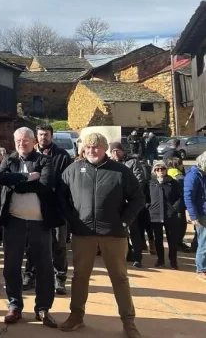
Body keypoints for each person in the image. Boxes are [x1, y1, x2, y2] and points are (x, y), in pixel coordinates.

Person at [57, 133, 145, 337]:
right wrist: (72, 219)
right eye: (88, 147)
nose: (91, 151)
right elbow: (61, 197)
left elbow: (138, 198)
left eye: (96, 147)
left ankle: (128, 322)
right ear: (82, 149)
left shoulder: (120, 171)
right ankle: (76, 316)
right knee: (80, 277)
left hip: (114, 234)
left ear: (104, 149)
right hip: (83, 234)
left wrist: (124, 220)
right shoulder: (72, 170)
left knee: (120, 278)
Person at [0, 127, 62, 329]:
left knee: (43, 267)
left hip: (39, 223)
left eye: (25, 140)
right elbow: (1, 178)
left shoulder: (44, 160)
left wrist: (17, 184)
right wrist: (26, 178)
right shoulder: (9, 160)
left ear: (33, 141)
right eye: (18, 141)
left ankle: (42, 308)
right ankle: (14, 305)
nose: (21, 144)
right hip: (14, 221)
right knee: (11, 267)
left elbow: (45, 183)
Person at [25, 125, 72, 295]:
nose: (43, 137)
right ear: (36, 137)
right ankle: (30, 274)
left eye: (46, 134)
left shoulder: (62, 156)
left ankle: (60, 277)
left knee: (59, 243)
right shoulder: (30, 155)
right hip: (35, 204)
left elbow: (68, 181)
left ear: (52, 136)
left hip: (57, 205)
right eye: (40, 134)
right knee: (33, 243)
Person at [146, 160, 183, 269]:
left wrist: (175, 208)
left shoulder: (173, 183)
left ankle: (173, 261)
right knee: (158, 239)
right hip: (155, 215)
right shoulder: (150, 184)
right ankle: (160, 260)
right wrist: (149, 207)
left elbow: (180, 197)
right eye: (157, 169)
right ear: (154, 171)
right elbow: (145, 197)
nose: (160, 171)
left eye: (162, 168)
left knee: (172, 240)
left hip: (170, 215)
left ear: (166, 170)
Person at [183, 151, 206, 282]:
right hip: (201, 214)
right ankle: (201, 269)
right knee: (204, 242)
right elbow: (188, 196)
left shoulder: (203, 174)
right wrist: (193, 215)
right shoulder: (193, 176)